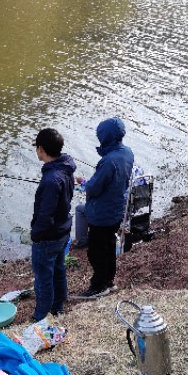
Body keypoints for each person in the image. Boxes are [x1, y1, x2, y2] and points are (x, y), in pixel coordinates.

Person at [75, 117, 134, 299]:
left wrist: (84, 183)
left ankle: (98, 286)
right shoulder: (127, 153)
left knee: (96, 252)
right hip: (116, 211)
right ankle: (109, 281)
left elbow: (94, 188)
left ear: (105, 137)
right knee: (109, 247)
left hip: (102, 215)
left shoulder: (108, 161)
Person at [30, 128, 77, 321]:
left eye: (36, 148)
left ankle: (41, 316)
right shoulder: (66, 169)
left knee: (43, 279)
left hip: (48, 238)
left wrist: (35, 235)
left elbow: (45, 216)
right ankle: (58, 307)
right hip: (62, 232)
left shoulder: (51, 180)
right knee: (58, 270)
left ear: (41, 149)